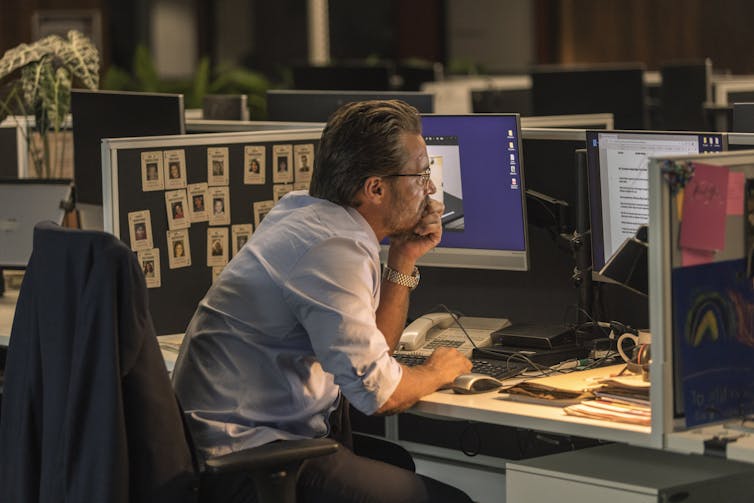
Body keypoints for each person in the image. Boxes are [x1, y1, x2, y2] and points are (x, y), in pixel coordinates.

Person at [173, 100, 473, 503]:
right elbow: (378, 395)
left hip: (248, 444)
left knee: (397, 463)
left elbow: (375, 354)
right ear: (376, 188)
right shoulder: (331, 249)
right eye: (421, 174)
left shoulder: (310, 217)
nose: (431, 188)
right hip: (247, 459)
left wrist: (403, 256)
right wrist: (438, 370)